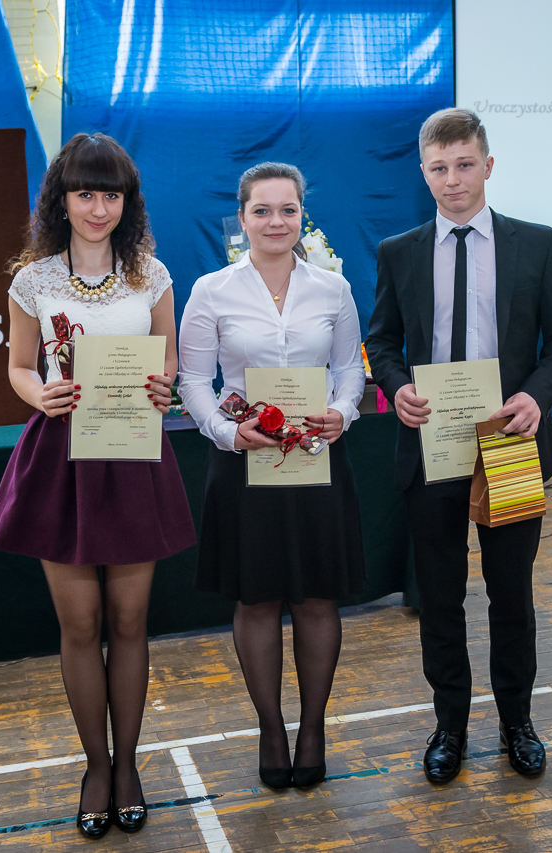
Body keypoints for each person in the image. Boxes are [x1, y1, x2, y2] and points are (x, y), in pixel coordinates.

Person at [0, 133, 195, 839]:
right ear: (62, 199)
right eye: (85, 193)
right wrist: (37, 392)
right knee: (80, 626)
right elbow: (19, 366)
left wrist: (164, 387)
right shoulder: (33, 280)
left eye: (111, 194)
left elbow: (168, 361)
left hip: (133, 453)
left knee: (130, 623)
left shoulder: (152, 275)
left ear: (127, 201)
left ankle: (127, 765)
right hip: (62, 459)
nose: (98, 207)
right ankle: (96, 768)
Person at [365, 108, 552, 783]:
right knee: (440, 595)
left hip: (509, 441)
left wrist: (536, 396)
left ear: (488, 165)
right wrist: (396, 386)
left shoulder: (535, 243)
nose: (452, 179)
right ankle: (450, 725)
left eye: (464, 165)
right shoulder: (399, 251)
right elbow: (382, 340)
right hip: (431, 441)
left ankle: (518, 720)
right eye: (439, 167)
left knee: (511, 593)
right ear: (423, 172)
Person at [178, 162, 365, 791]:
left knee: (317, 597)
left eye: (288, 210)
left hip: (316, 456)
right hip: (243, 461)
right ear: (243, 217)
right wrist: (226, 433)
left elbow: (351, 370)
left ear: (302, 215)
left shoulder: (333, 289)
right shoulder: (212, 290)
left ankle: (312, 728)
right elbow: (192, 381)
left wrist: (343, 411)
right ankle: (271, 728)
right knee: (255, 598)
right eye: (263, 210)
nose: (276, 222)